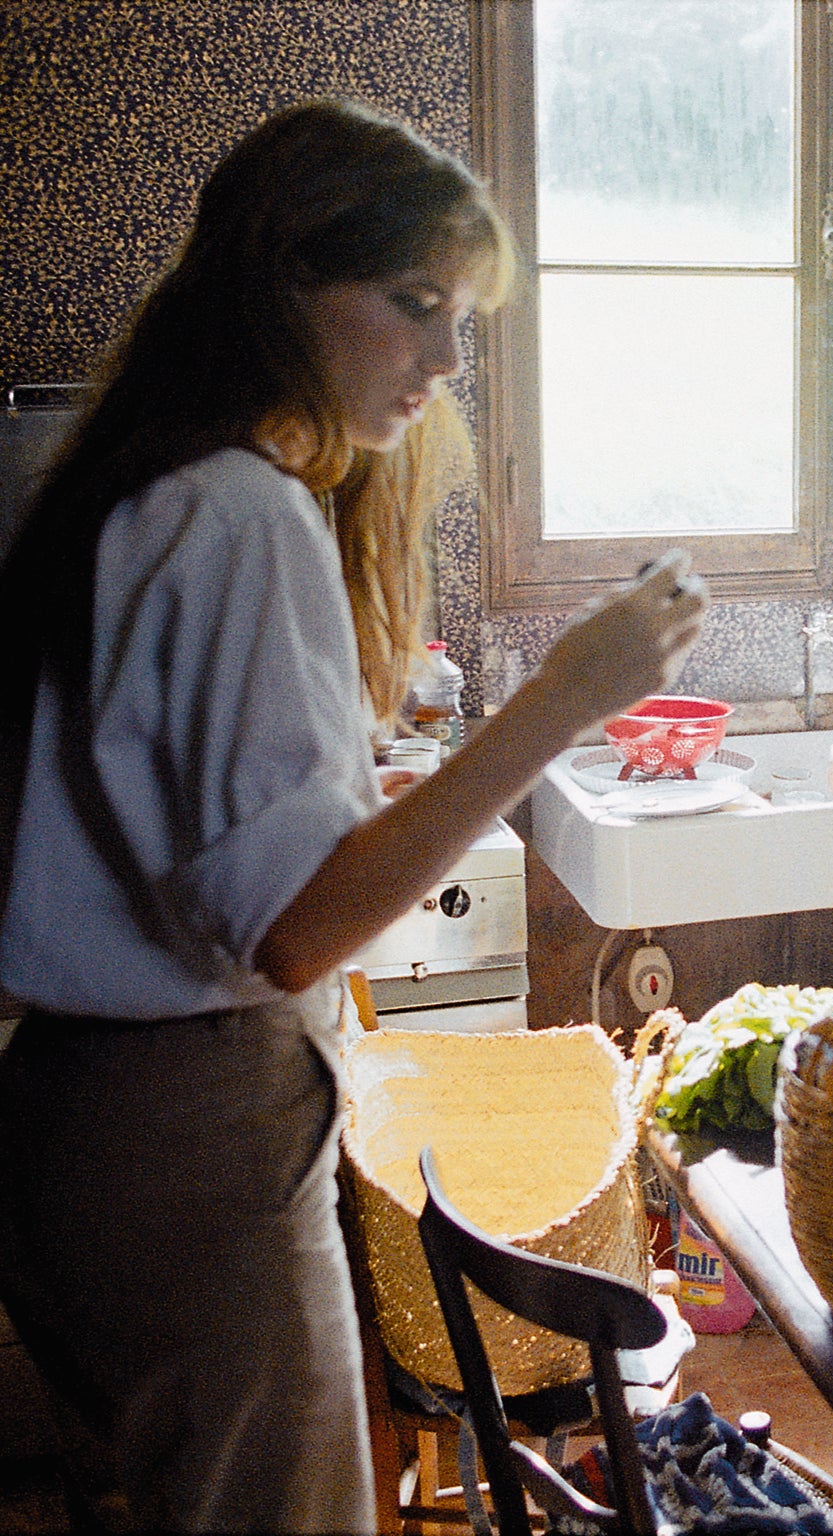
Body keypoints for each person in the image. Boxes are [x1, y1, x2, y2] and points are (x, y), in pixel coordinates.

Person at [0, 100, 705, 1533]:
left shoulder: (138, 495)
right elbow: (296, 930)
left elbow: (165, 824)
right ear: (282, 289)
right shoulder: (247, 515)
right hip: (187, 1126)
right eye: (414, 304)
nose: (448, 362)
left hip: (77, 1119)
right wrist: (565, 697)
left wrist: (368, 791)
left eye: (467, 319)